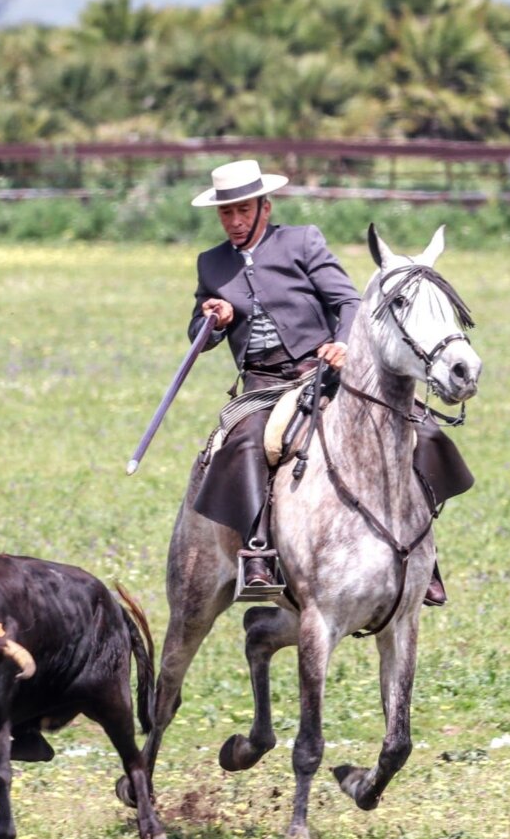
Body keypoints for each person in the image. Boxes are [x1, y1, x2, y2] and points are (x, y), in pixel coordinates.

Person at [185, 159, 456, 605]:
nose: (234, 221)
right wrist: (215, 321)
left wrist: (343, 345)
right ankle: (257, 554)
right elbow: (198, 334)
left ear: (264, 208)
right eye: (226, 213)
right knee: (245, 442)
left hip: (323, 374)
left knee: (421, 427)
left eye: (243, 210)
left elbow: (349, 302)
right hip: (261, 386)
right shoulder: (211, 264)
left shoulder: (302, 241)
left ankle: (426, 557)